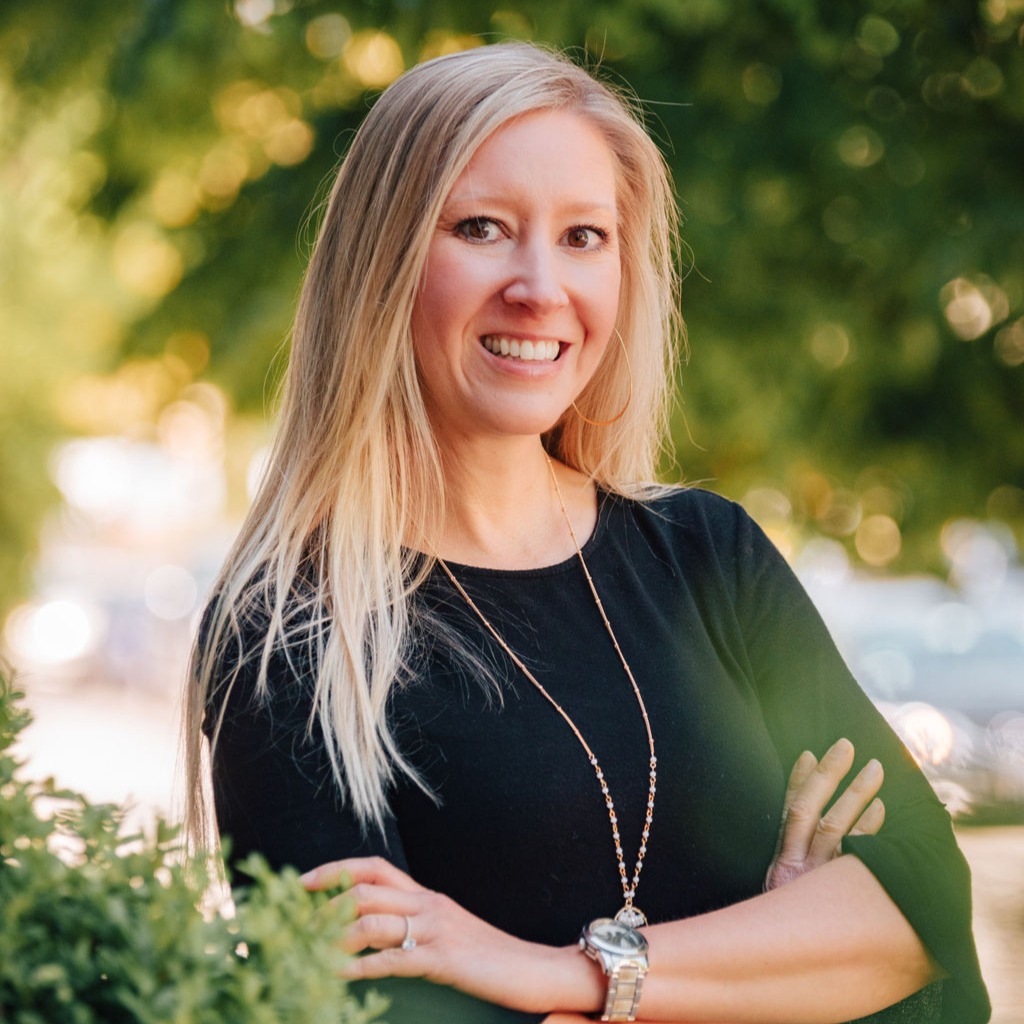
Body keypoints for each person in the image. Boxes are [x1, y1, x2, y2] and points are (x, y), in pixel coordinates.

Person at [185, 42, 989, 1024]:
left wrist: (551, 973)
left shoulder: (709, 555)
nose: (539, 286)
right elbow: (374, 1009)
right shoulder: (290, 633)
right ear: (381, 262)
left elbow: (923, 908)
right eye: (481, 227)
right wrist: (771, 968)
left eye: (582, 236)